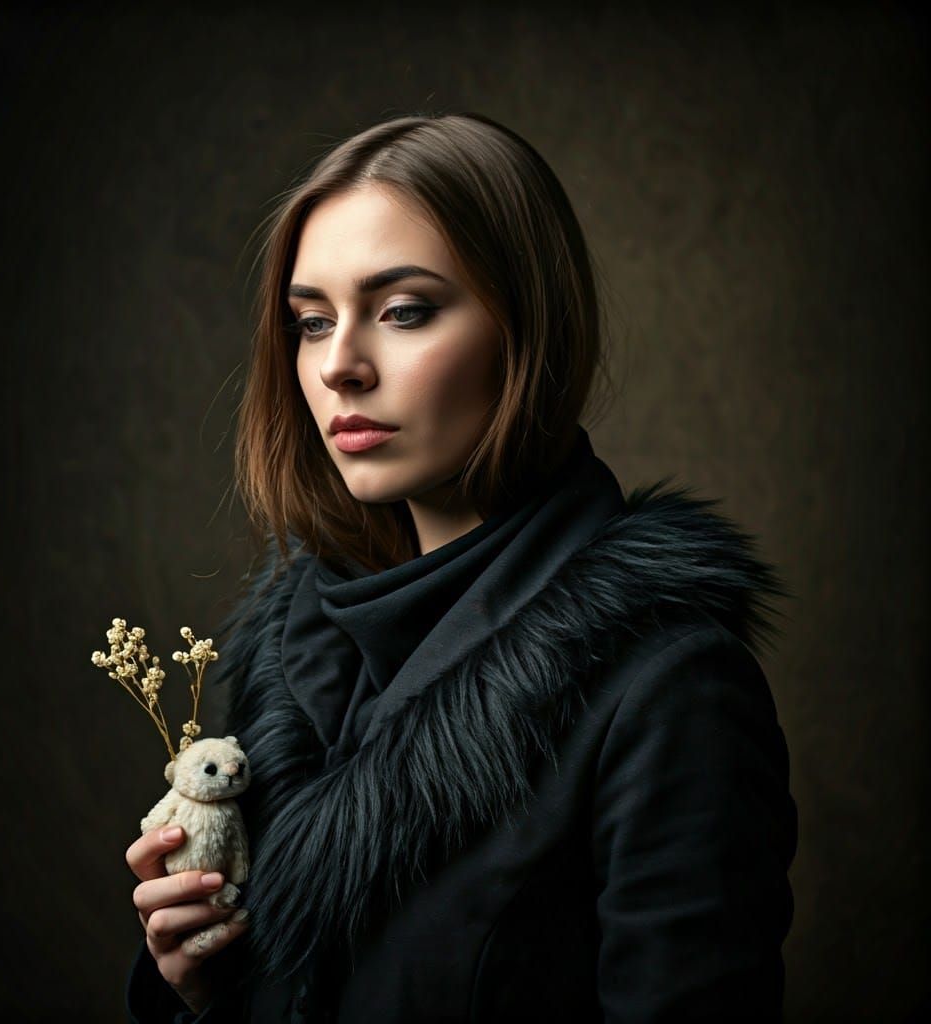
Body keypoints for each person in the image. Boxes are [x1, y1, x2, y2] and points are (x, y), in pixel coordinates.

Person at [123, 111, 798, 1023]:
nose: (340, 367)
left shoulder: (668, 687)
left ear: (528, 327)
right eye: (311, 321)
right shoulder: (293, 656)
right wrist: (202, 988)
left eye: (403, 310)